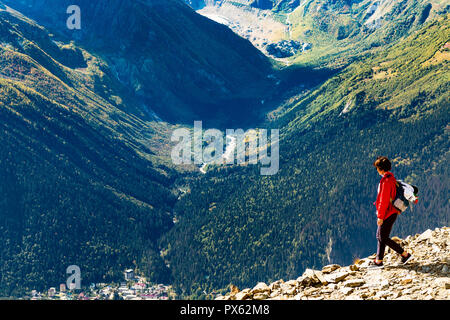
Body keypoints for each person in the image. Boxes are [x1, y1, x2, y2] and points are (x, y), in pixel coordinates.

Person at [369, 156, 412, 268]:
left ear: (381, 169)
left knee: (383, 237)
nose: (377, 170)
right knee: (380, 236)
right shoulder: (391, 178)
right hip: (391, 212)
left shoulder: (386, 181)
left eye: (377, 167)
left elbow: (383, 201)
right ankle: (378, 261)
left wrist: (380, 216)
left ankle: (405, 254)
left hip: (388, 213)